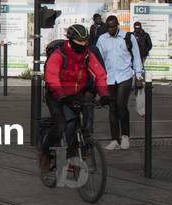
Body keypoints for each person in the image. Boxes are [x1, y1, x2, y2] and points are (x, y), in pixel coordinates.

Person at [40, 24, 110, 173]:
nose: (83, 46)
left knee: (79, 126)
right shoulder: (58, 55)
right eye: (79, 44)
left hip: (76, 93)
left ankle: (71, 158)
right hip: (56, 94)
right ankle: (45, 154)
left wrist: (104, 94)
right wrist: (61, 96)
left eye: (85, 43)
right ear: (70, 41)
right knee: (61, 126)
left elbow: (100, 74)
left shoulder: (86, 54)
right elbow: (52, 78)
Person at [96, 15, 144, 150]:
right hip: (109, 78)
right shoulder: (102, 39)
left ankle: (125, 136)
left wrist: (139, 75)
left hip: (125, 76)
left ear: (117, 25)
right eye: (108, 27)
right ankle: (114, 139)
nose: (111, 29)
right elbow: (99, 60)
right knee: (112, 108)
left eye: (113, 26)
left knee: (121, 105)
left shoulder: (128, 37)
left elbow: (136, 57)